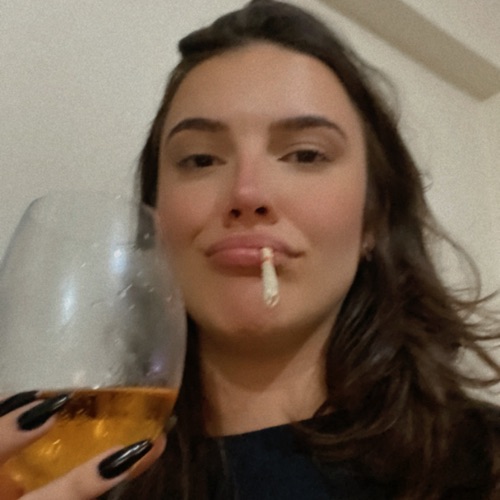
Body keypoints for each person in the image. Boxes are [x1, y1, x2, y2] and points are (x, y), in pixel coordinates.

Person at [1, 0, 499, 498]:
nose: (247, 193)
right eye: (201, 160)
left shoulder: (485, 465)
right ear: (154, 218)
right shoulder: (62, 461)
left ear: (374, 218)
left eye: (305, 154)